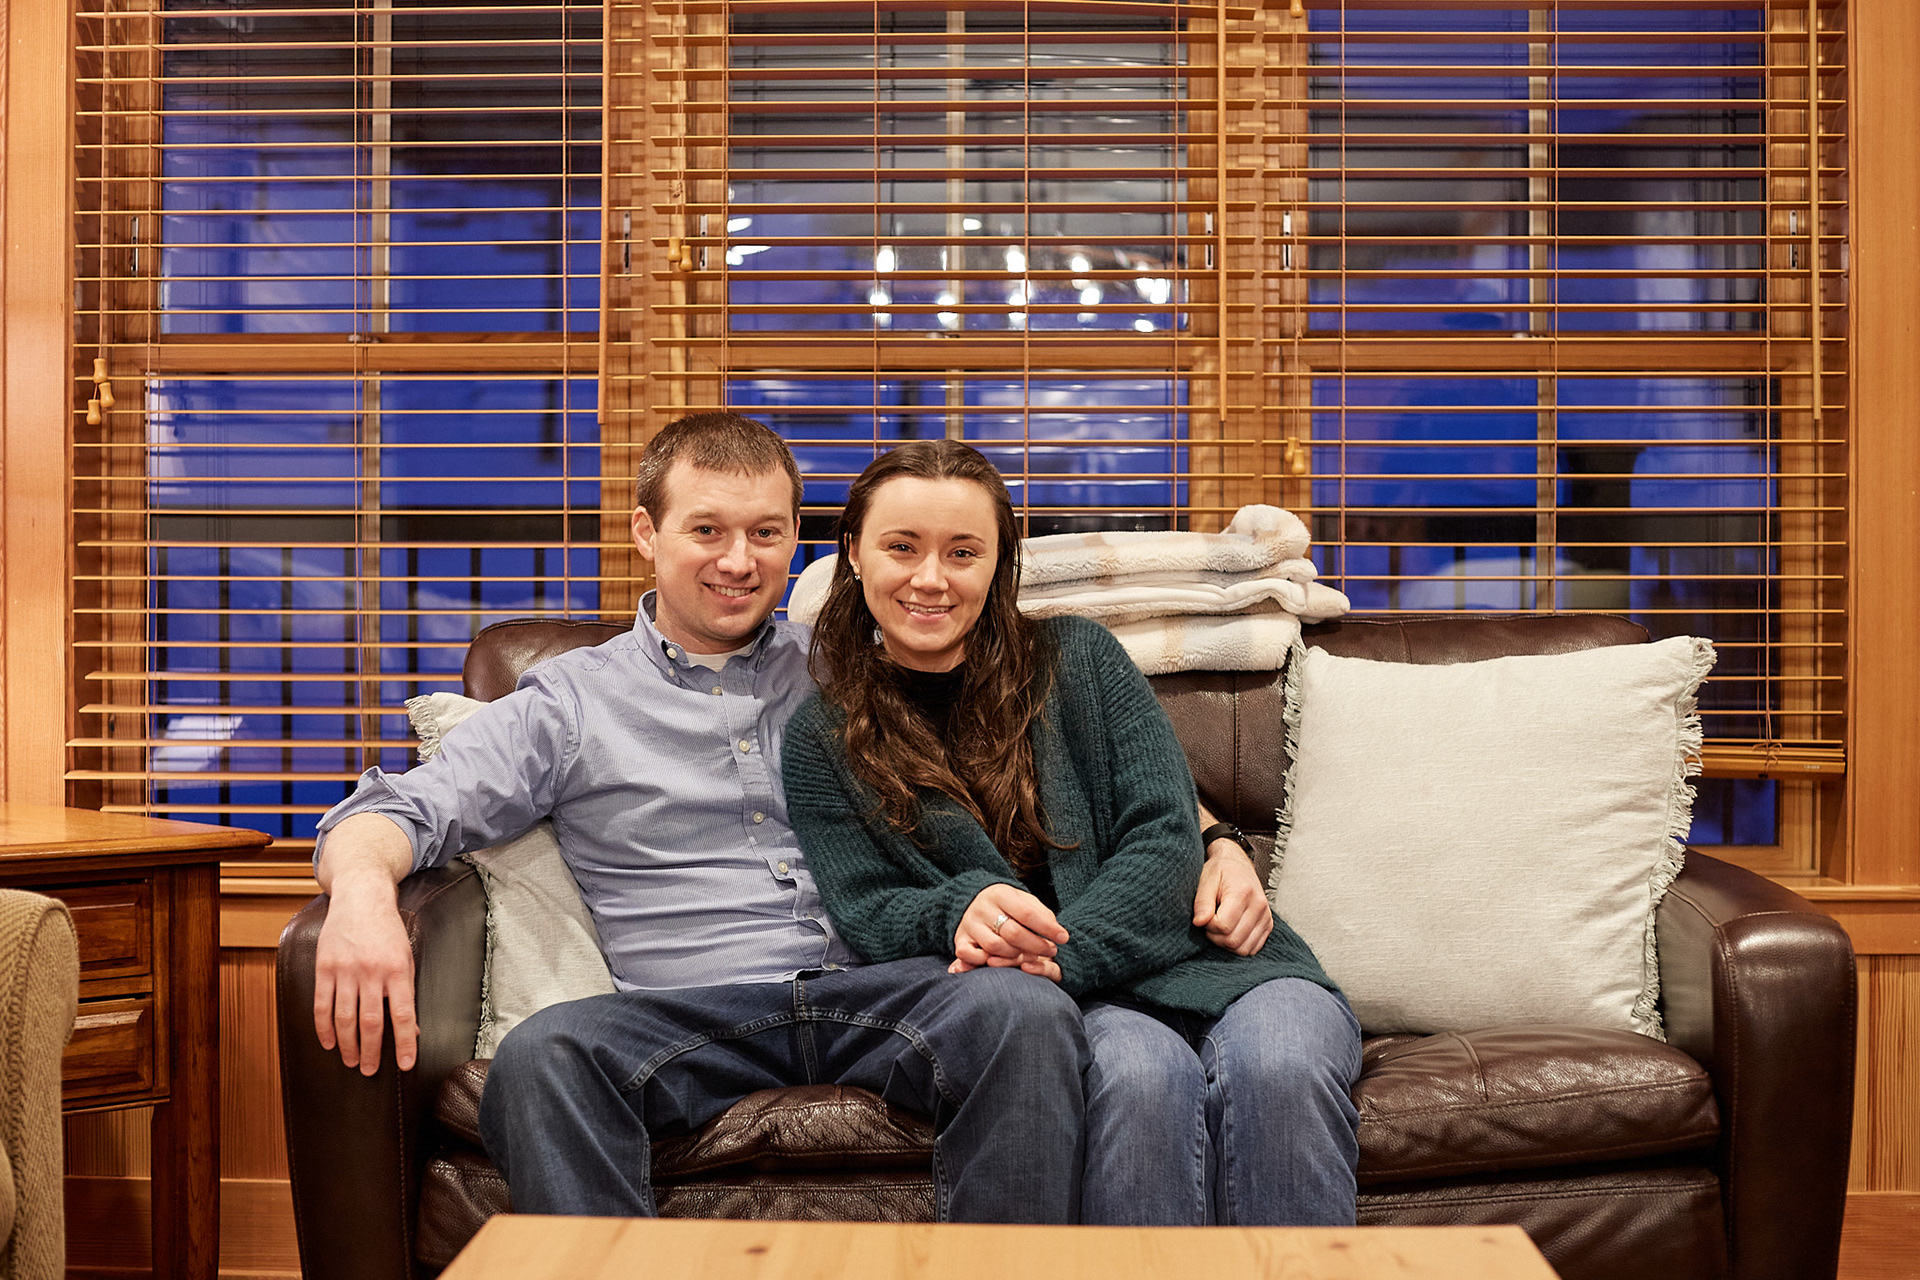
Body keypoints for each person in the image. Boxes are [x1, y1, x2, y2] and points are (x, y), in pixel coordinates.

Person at [307, 412, 1091, 1222]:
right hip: (691, 1015)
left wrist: (1209, 837)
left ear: (800, 540)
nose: (739, 562)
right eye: (707, 529)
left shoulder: (852, 668)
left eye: (766, 532)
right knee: (542, 1057)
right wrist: (364, 896)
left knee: (1022, 1011)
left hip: (880, 995)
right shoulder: (571, 701)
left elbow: (1056, 759)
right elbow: (398, 808)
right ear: (647, 531)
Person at [781, 439, 1363, 1227]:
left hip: (1225, 963)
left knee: (1284, 1066)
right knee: (1136, 1078)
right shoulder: (825, 735)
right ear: (852, 554)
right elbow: (870, 908)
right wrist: (957, 912)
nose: (930, 578)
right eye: (901, 547)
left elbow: (1163, 838)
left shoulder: (1079, 660)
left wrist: (1056, 958)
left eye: (963, 552)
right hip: (1089, 1009)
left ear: (998, 563)